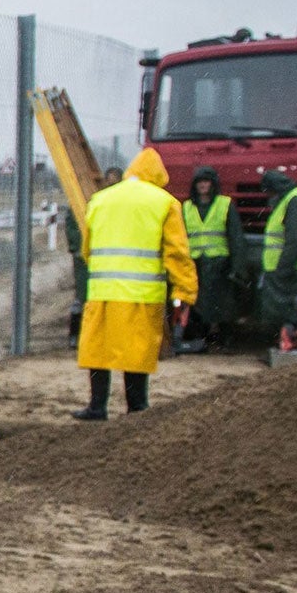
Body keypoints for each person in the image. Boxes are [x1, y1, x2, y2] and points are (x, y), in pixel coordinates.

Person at [72, 148, 197, 420]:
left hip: (102, 291)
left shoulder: (100, 199)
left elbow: (87, 249)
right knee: (136, 352)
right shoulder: (164, 202)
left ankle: (96, 407)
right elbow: (177, 253)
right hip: (141, 294)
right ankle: (136, 408)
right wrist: (185, 291)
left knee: (98, 350)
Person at [178, 165, 246, 352]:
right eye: (199, 182)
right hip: (195, 263)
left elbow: (235, 237)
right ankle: (201, 341)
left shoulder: (224, 204)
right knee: (197, 304)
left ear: (213, 184)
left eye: (206, 181)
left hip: (219, 264)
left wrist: (237, 266)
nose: (203, 185)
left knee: (222, 305)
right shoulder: (187, 207)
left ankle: (224, 341)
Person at [257, 168, 297, 335]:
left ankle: (289, 344)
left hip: (292, 269)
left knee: (289, 314)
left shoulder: (294, 201)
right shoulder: (292, 199)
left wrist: (284, 267)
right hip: (286, 267)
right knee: (287, 313)